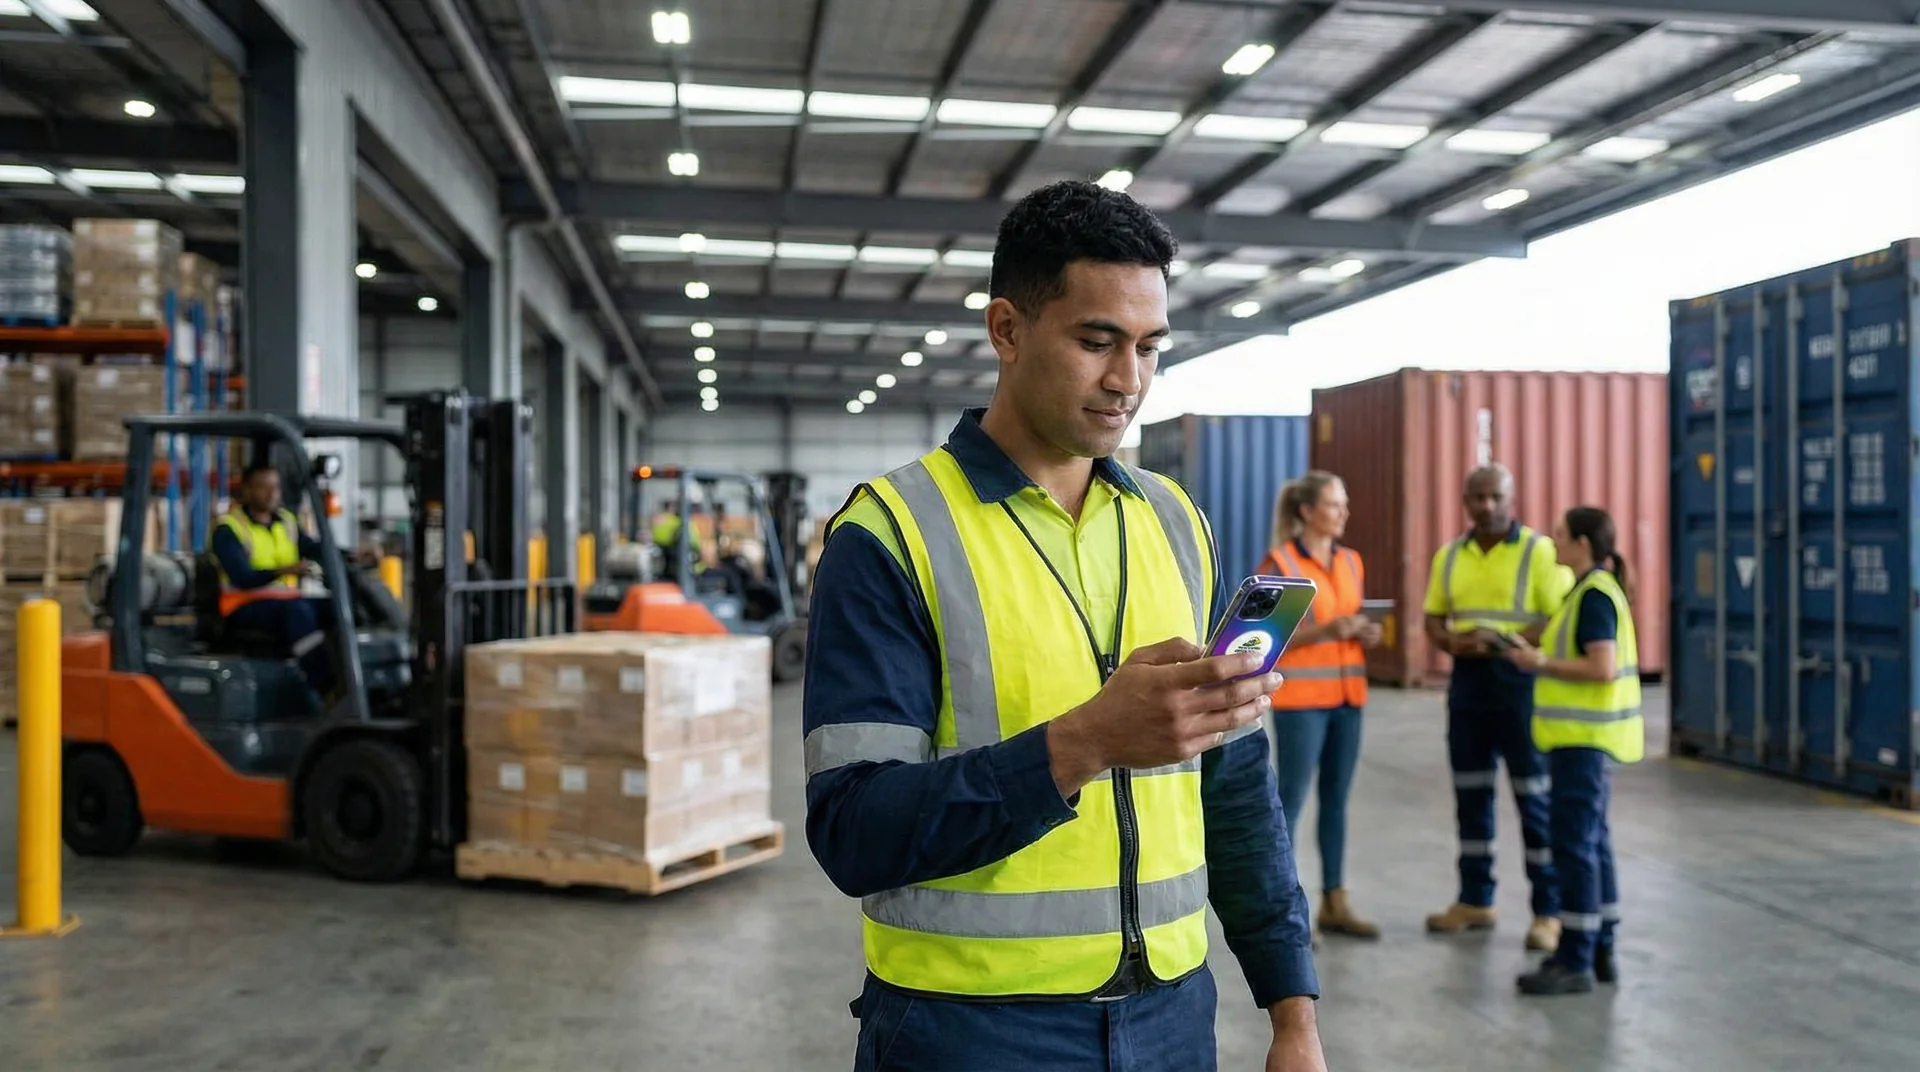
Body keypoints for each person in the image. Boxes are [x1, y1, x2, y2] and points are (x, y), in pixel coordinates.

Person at [803, 180, 1325, 1072]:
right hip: (970, 1030)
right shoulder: (892, 534)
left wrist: (1291, 1010)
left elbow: (1233, 781)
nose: (1128, 381)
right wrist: (1081, 744)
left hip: (1171, 1021)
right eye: (1097, 342)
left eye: (1150, 348)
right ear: (1006, 330)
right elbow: (855, 828)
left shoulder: (1175, 523)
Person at [1421, 464, 1572, 952]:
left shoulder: (1539, 551)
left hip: (1520, 687)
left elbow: (1556, 617)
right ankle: (1475, 899)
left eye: (1494, 497)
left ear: (1510, 497)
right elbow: (1433, 618)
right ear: (1465, 501)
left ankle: (1549, 912)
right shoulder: (1449, 557)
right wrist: (1454, 642)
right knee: (1472, 798)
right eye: (1476, 498)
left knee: (1535, 801)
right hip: (1468, 688)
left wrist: (1499, 640)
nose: (1485, 506)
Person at [1503, 506, 1644, 995]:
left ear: (1583, 543)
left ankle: (1575, 959)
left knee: (1575, 847)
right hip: (1584, 744)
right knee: (1593, 843)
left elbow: (1600, 668)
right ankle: (1600, 946)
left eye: (1560, 535)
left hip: (1580, 744)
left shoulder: (1594, 597)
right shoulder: (1588, 591)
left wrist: (1538, 663)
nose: (1552, 541)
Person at [1258, 471, 1383, 939]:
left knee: (1337, 802)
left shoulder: (1351, 562)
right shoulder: (1282, 562)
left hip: (1348, 698)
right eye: (1333, 504)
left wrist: (1363, 632)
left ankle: (1335, 900)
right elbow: (1266, 638)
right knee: (1290, 801)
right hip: (1303, 703)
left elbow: (1349, 621)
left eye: (1343, 503)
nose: (1343, 513)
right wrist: (1327, 632)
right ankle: (1283, 911)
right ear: (1307, 512)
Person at [208, 463, 333, 695]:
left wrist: (347, 554)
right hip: (242, 606)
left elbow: (313, 548)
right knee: (298, 612)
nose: (271, 493)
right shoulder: (228, 530)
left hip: (288, 601)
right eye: (263, 487)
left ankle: (351, 676)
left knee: (336, 607)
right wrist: (285, 571)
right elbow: (243, 578)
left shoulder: (286, 522)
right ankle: (323, 685)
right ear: (246, 490)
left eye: (275, 487)